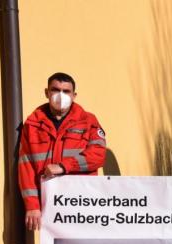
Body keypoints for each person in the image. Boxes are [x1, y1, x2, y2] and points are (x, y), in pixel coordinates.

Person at [18, 73, 107, 230]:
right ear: (47, 92)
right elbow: (26, 166)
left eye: (66, 91)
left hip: (81, 202)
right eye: (55, 89)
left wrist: (64, 166)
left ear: (74, 95)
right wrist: (32, 205)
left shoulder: (88, 121)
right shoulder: (32, 124)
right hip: (48, 204)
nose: (61, 95)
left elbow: (98, 155)